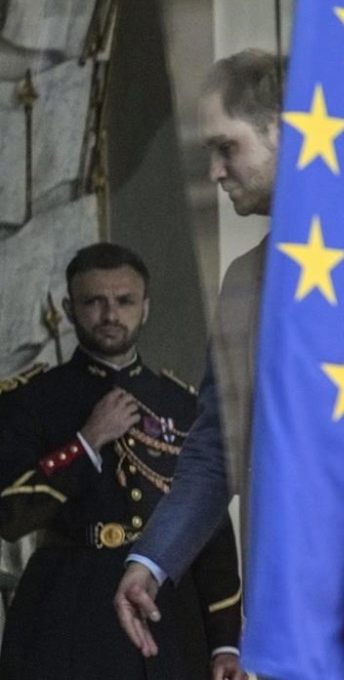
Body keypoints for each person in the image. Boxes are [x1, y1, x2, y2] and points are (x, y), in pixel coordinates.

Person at [0, 242, 242, 679]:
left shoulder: (182, 404)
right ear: (70, 309)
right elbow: (11, 515)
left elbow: (211, 532)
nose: (111, 315)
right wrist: (86, 442)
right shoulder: (34, 399)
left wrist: (225, 642)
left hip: (168, 612)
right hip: (68, 611)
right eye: (94, 302)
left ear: (145, 308)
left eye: (125, 301)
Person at [114, 49, 280, 665]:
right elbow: (215, 450)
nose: (213, 172)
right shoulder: (245, 283)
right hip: (285, 611)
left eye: (226, 147)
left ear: (282, 130)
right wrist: (152, 559)